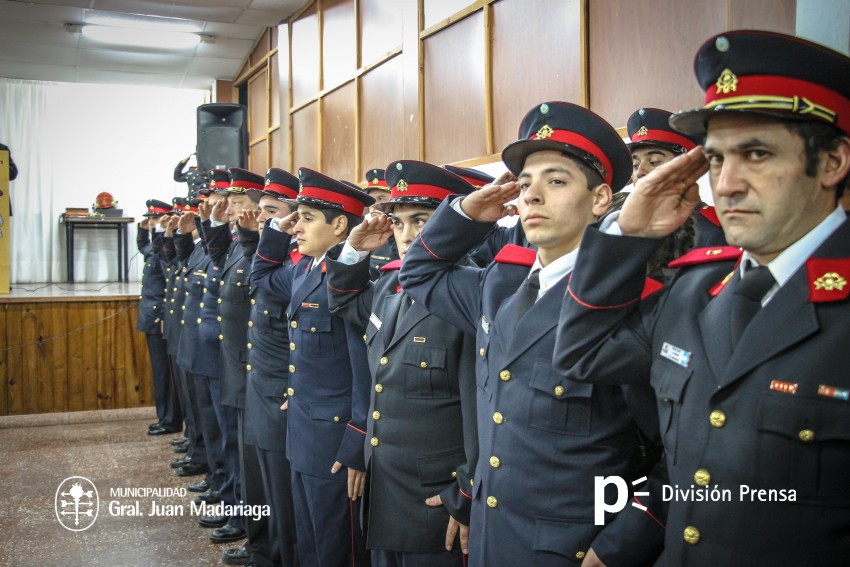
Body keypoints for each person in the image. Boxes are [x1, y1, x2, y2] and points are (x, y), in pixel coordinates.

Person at [554, 30, 850, 567]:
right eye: (715, 160)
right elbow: (580, 354)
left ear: (832, 162)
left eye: (756, 154)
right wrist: (626, 237)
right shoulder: (694, 291)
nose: (729, 183)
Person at [399, 101, 662, 567]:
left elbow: (674, 446)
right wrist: (464, 214)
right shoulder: (498, 287)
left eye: (555, 181)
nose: (532, 196)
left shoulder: (636, 304)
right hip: (492, 538)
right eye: (524, 184)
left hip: (573, 549)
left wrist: (625, 540)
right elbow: (419, 274)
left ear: (600, 199)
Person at [326, 160, 479, 567]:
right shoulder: (391, 286)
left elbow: (482, 410)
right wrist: (356, 248)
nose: (407, 236)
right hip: (386, 491)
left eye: (422, 220)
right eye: (399, 223)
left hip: (435, 502)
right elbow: (342, 300)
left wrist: (466, 494)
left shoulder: (470, 294)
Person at [252, 168, 374, 567]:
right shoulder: (306, 269)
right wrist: (276, 228)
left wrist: (357, 440)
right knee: (310, 541)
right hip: (304, 428)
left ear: (340, 225)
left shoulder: (354, 279)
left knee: (337, 547)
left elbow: (365, 368)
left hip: (335, 440)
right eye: (298, 217)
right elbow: (262, 278)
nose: (297, 229)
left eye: (307, 219)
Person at [242, 167, 302, 567]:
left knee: (283, 499)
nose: (264, 218)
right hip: (260, 388)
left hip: (283, 393)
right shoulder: (277, 255)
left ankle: (277, 556)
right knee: (260, 487)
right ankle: (262, 550)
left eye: (272, 211)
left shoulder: (297, 265)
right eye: (262, 211)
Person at [626, 107, 726, 247]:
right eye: (636, 165)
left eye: (654, 162)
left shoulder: (714, 231)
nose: (640, 172)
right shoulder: (626, 231)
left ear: (688, 168)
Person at [138, 199, 182, 435]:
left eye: (157, 219)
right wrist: (143, 230)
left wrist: (163, 313)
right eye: (152, 219)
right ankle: (164, 416)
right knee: (160, 372)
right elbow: (145, 249)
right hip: (152, 315)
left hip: (159, 316)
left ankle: (170, 419)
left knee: (166, 374)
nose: (153, 222)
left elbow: (170, 284)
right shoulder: (156, 249)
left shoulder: (166, 248)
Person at [362, 168, 399, 276]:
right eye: (372, 200)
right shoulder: (365, 231)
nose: (375, 205)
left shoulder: (401, 235)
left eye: (381, 199)